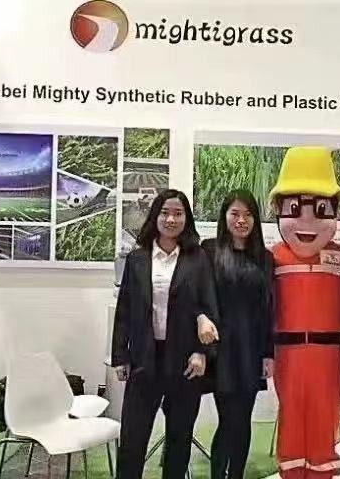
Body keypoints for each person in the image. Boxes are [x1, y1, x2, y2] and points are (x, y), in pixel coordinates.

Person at [111, 189, 219, 479]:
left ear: (186, 219)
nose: (171, 219)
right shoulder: (137, 259)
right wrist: (120, 355)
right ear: (155, 216)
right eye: (165, 213)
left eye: (178, 214)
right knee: (133, 438)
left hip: (184, 362)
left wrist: (202, 352)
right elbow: (125, 310)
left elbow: (209, 307)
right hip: (144, 358)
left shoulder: (198, 259)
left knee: (179, 439)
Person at [268, 146, 340, 478]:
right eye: (294, 208)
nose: (307, 220)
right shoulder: (271, 258)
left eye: (320, 209)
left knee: (325, 413)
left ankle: (322, 472)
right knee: (291, 412)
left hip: (329, 354)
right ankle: (291, 472)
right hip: (286, 353)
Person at [200, 189, 275, 479]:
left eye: (248, 215)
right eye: (235, 214)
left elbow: (268, 309)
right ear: (225, 217)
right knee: (228, 419)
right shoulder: (209, 250)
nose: (241, 220)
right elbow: (200, 299)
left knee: (243, 419)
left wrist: (268, 353)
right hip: (221, 349)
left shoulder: (265, 258)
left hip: (251, 349)